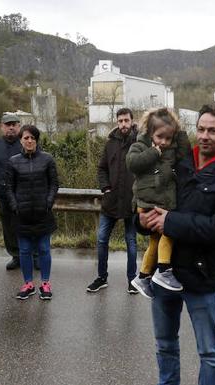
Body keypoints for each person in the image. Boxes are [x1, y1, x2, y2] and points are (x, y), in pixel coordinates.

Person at [140, 105, 215, 385]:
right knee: (165, 345)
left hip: (202, 277)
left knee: (208, 352)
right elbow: (151, 198)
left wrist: (171, 223)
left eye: (212, 130)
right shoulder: (179, 165)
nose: (204, 135)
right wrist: (142, 220)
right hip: (165, 276)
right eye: (201, 129)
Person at [127, 108, 191, 298]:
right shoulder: (140, 146)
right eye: (159, 137)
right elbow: (132, 163)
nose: (163, 142)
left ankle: (143, 276)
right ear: (149, 132)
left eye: (168, 138)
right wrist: (153, 153)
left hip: (161, 201)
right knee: (168, 233)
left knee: (155, 241)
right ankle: (164, 270)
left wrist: (179, 132)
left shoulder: (170, 150)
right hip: (149, 201)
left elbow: (185, 152)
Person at [87, 108, 139, 294]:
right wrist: (105, 187)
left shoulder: (140, 142)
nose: (123, 124)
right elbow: (101, 168)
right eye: (120, 121)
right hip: (111, 200)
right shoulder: (110, 144)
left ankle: (133, 281)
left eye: (126, 120)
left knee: (131, 241)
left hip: (132, 202)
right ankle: (102, 277)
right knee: (101, 240)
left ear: (132, 121)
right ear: (117, 122)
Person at [6, 125, 59, 300]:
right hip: (22, 215)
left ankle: (45, 283)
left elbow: (54, 184)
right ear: (21, 140)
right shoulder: (13, 161)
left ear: (37, 140)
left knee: (44, 249)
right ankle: (28, 284)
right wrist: (15, 206)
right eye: (26, 138)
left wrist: (48, 202)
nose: (29, 141)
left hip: (42, 213)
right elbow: (9, 188)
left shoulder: (47, 159)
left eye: (32, 138)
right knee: (24, 251)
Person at [0, 113, 23, 270]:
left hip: (25, 193)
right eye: (8, 124)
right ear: (1, 127)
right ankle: (16, 256)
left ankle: (34, 256)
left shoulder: (27, 142)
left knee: (29, 225)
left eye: (14, 124)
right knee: (9, 227)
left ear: (19, 126)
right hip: (3, 195)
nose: (11, 127)